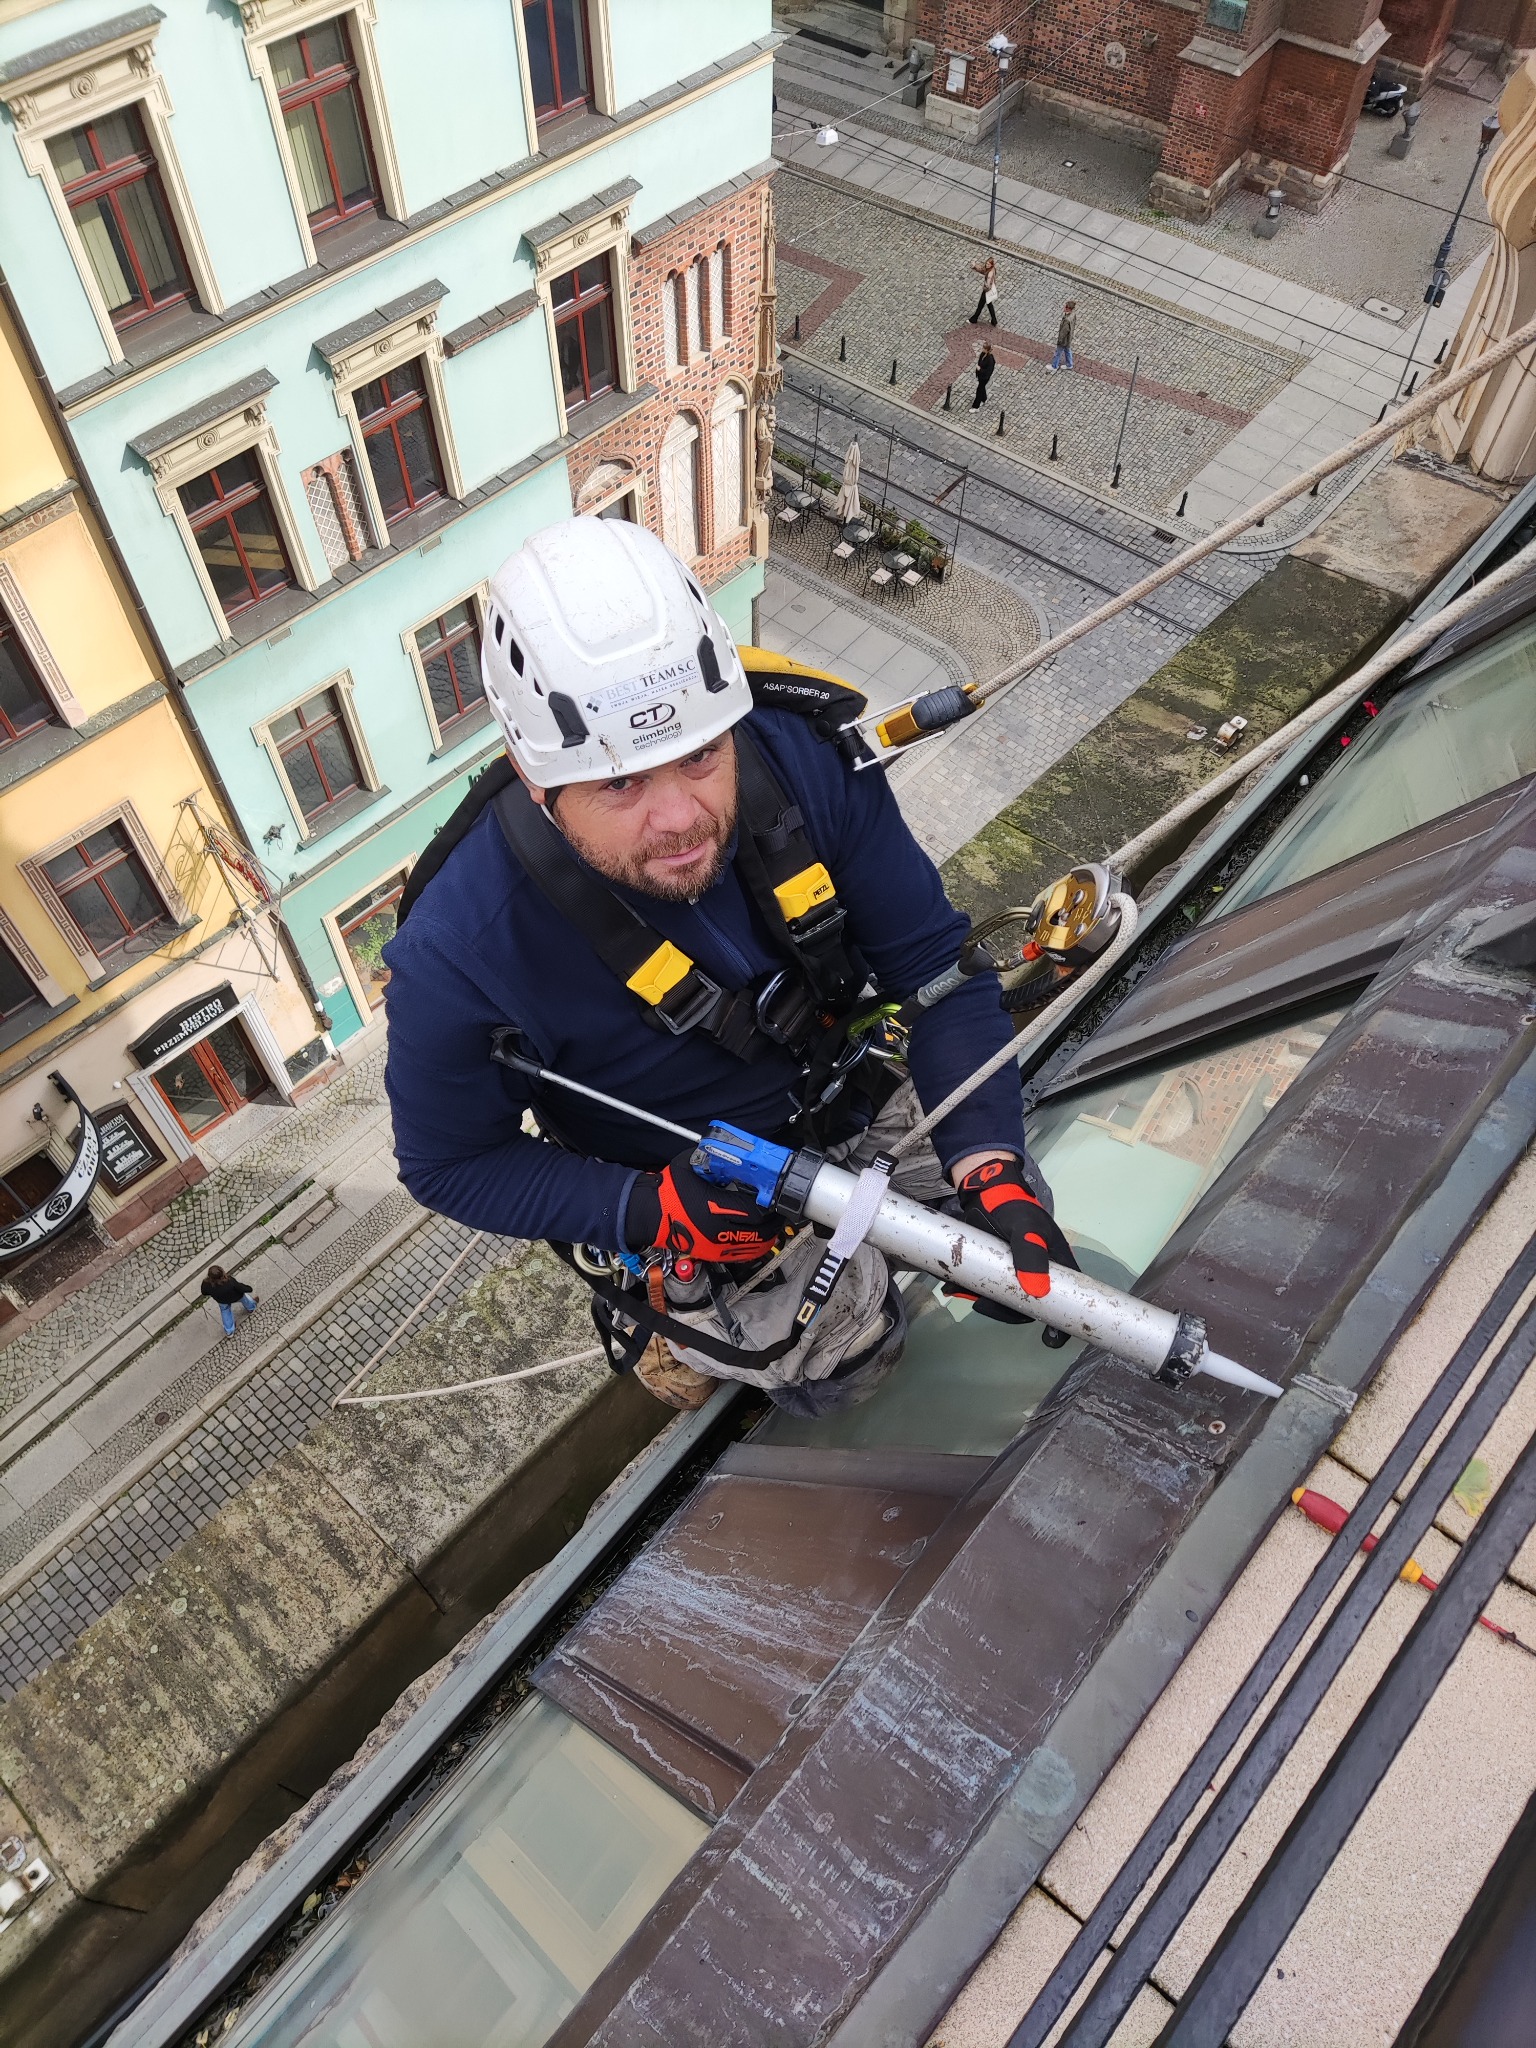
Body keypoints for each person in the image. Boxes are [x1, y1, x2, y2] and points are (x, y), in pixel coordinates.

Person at [383, 518, 1073, 1415]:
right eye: (622, 783)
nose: (681, 818)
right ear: (532, 770)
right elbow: (448, 1163)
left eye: (701, 757)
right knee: (843, 1360)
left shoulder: (795, 757)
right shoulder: (461, 949)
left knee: (1022, 1237)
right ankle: (693, 1350)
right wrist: (649, 1210)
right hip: (702, 1190)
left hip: (850, 1084)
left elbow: (934, 964)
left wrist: (989, 1166)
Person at [202, 1265, 259, 1337]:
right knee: (245, 1299)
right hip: (236, 1296)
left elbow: (204, 1292)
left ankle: (229, 1331)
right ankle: (251, 1308)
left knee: (225, 1312)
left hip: (221, 1300)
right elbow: (240, 1287)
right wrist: (249, 1289)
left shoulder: (206, 1284)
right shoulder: (229, 1281)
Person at [968, 255, 999, 325]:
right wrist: (975, 266)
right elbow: (983, 270)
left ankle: (974, 319)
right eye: (986, 263)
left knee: (981, 305)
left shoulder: (990, 274)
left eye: (988, 264)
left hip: (986, 291)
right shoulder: (991, 269)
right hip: (987, 291)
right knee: (989, 304)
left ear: (991, 265)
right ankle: (994, 321)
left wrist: (985, 287)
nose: (987, 265)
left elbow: (988, 284)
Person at [1049, 300, 1076, 371]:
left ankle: (1054, 366)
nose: (1064, 307)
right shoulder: (1073, 314)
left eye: (1065, 306)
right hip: (1069, 338)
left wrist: (1059, 341)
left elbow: (1063, 333)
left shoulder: (1067, 320)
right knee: (1067, 350)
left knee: (1058, 352)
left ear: (1068, 308)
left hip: (1064, 340)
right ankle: (1069, 364)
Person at [972, 340, 997, 409]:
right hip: (980, 376)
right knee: (982, 388)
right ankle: (984, 398)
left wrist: (980, 369)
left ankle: (976, 406)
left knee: (979, 390)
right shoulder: (982, 354)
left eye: (983, 348)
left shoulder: (990, 360)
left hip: (984, 378)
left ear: (987, 350)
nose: (982, 349)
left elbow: (988, 371)